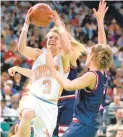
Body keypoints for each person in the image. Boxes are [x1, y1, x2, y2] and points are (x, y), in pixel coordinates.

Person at [8, 8, 85, 137]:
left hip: (50, 104)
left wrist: (59, 25)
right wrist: (26, 24)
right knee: (27, 115)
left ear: (61, 43)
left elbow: (68, 50)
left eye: (55, 38)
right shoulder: (39, 54)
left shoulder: (64, 60)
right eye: (49, 38)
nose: (51, 40)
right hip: (33, 96)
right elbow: (21, 48)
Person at [46, 1, 113, 137]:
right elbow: (102, 46)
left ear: (93, 57)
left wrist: (52, 69)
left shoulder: (91, 76)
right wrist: (100, 21)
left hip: (84, 124)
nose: (86, 56)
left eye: (89, 54)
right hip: (88, 123)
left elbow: (68, 85)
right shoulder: (102, 73)